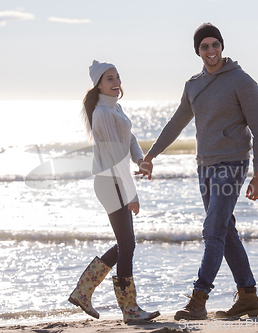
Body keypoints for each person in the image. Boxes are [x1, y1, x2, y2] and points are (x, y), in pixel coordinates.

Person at [138, 23, 258, 320]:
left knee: (212, 230)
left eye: (215, 44)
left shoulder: (242, 81)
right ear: (197, 51)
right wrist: (151, 154)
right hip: (204, 167)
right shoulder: (193, 85)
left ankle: (198, 299)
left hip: (232, 165)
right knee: (225, 230)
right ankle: (248, 296)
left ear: (222, 46)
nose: (211, 50)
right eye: (204, 46)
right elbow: (175, 124)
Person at [68, 60, 160, 323]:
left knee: (126, 244)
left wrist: (140, 160)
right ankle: (129, 310)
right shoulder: (102, 114)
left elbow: (129, 141)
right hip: (110, 182)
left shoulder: (115, 108)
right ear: (98, 84)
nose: (116, 81)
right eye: (109, 78)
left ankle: (83, 291)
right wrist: (132, 194)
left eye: (117, 76)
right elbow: (112, 157)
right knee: (127, 244)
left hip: (117, 180)